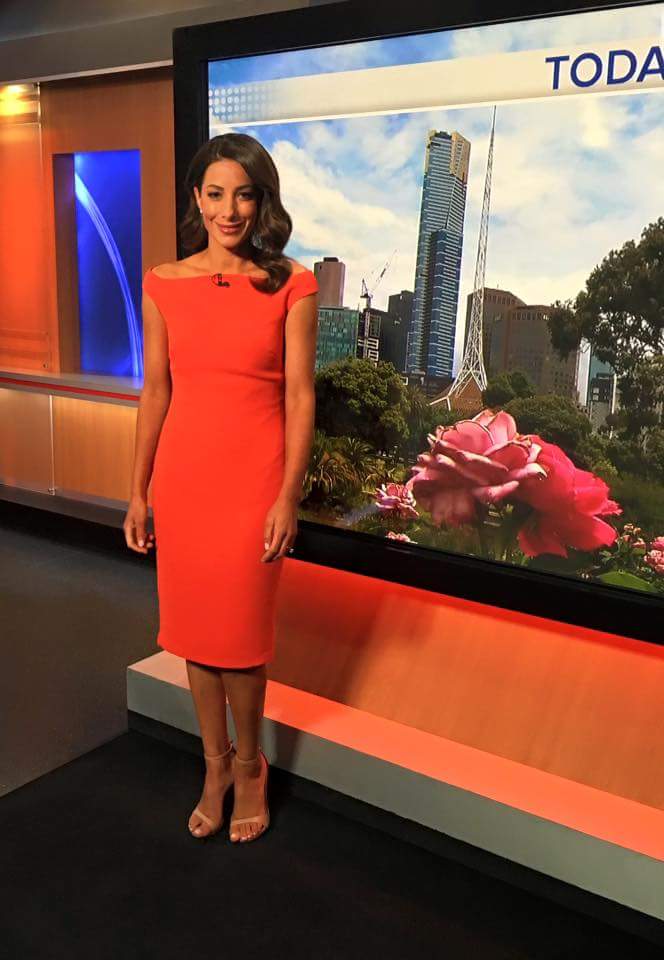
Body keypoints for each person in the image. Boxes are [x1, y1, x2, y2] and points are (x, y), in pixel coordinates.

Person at [123, 132, 319, 843]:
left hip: (255, 482)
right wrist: (138, 490)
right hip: (185, 481)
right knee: (194, 638)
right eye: (215, 194)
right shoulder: (162, 282)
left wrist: (288, 495)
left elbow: (300, 397)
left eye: (244, 195)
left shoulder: (292, 283)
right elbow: (155, 391)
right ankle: (213, 768)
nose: (229, 210)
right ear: (197, 199)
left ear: (262, 201)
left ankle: (250, 767)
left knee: (240, 640)